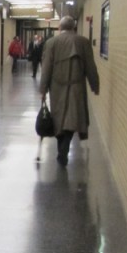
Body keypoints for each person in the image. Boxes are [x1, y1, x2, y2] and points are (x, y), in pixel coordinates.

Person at [39, 15, 100, 166]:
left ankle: (62, 150)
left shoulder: (51, 43)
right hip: (77, 87)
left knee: (59, 119)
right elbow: (90, 66)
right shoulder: (83, 42)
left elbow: (46, 68)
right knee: (73, 118)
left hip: (57, 88)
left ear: (60, 28)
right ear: (74, 27)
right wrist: (94, 84)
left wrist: (43, 89)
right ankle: (63, 149)